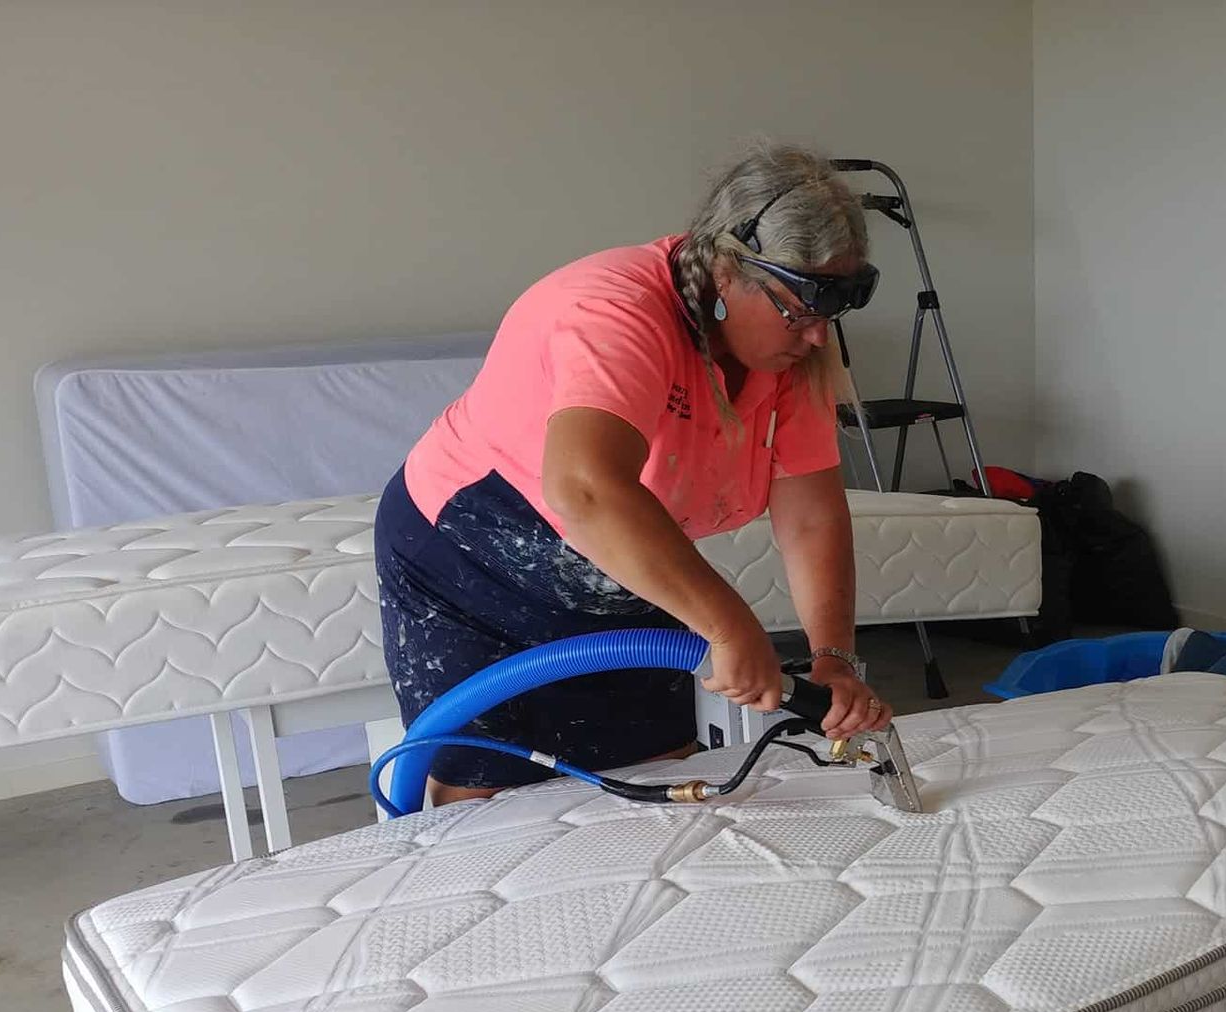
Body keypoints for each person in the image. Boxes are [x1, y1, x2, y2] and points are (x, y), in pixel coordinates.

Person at [375, 143, 888, 806]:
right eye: (798, 309)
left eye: (831, 314)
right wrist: (729, 625)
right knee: (483, 806)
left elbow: (813, 516)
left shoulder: (795, 355)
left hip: (620, 556)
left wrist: (834, 661)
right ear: (727, 271)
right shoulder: (613, 309)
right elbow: (585, 488)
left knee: (653, 780)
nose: (818, 337)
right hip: (475, 561)